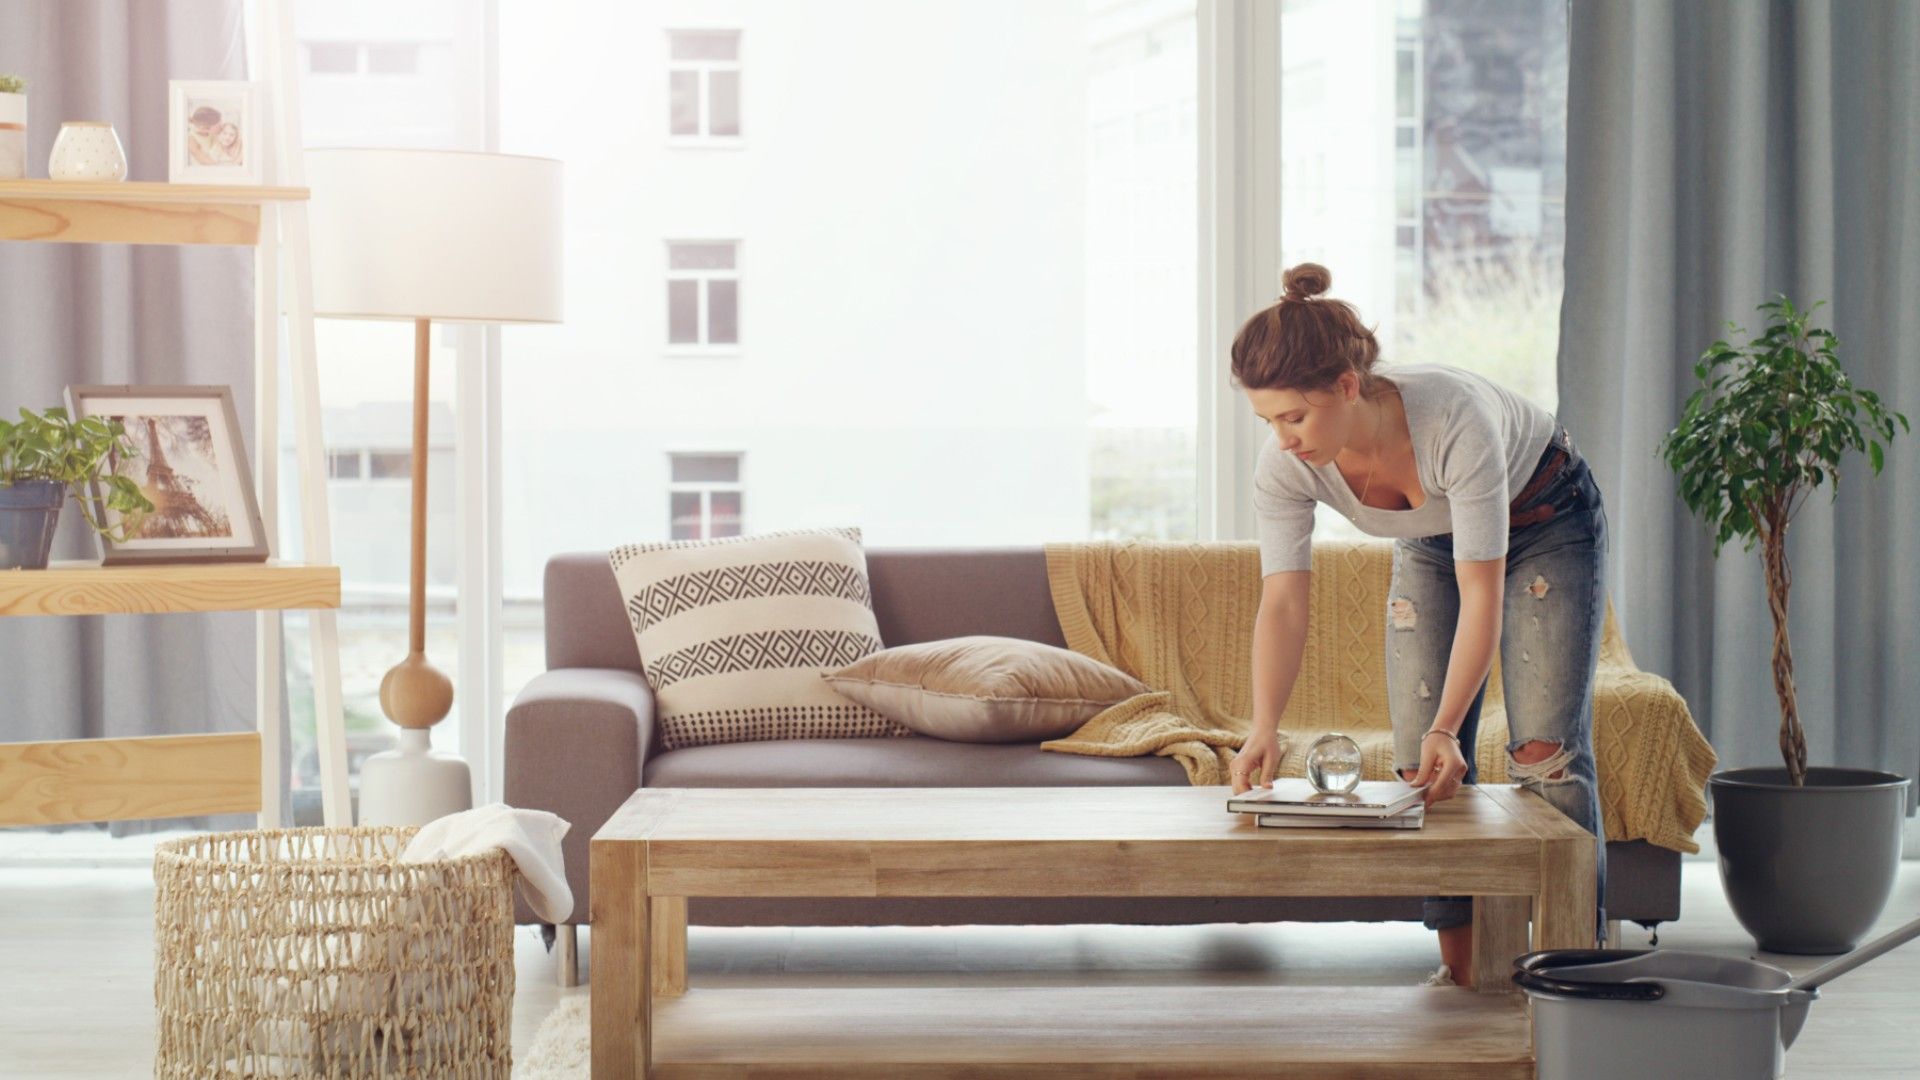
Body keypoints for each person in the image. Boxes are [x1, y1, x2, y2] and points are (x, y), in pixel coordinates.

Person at [1225, 261, 1610, 988]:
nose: (1282, 439)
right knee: (1418, 771)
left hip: (1545, 517)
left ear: (1346, 386)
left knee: (1541, 754)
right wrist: (1263, 724)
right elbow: (1282, 601)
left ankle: (1575, 981)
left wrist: (1450, 724)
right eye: (1266, 420)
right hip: (1433, 542)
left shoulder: (1451, 418)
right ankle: (1466, 978)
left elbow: (1483, 594)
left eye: (1294, 416)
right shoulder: (1287, 467)